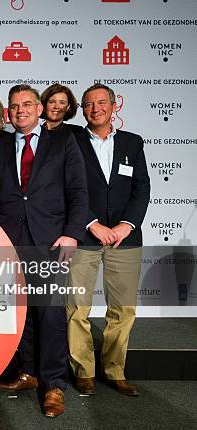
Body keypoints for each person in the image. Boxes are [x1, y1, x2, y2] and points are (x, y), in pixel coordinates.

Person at [0, 84, 88, 417]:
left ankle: (54, 384)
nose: (20, 111)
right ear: (8, 113)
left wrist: (73, 233)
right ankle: (28, 373)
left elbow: (78, 191)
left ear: (40, 109)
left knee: (50, 313)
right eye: (14, 107)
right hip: (12, 240)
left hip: (51, 242)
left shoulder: (64, 142)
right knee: (22, 312)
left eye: (27, 105)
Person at [66, 84, 150, 397]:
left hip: (124, 239)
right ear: (82, 109)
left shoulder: (133, 142)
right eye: (88, 104)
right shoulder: (71, 140)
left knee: (123, 310)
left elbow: (141, 188)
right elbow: (68, 187)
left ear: (114, 107)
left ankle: (115, 371)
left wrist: (126, 225)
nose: (95, 108)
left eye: (102, 103)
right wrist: (92, 223)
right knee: (76, 309)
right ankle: (83, 371)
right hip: (84, 236)